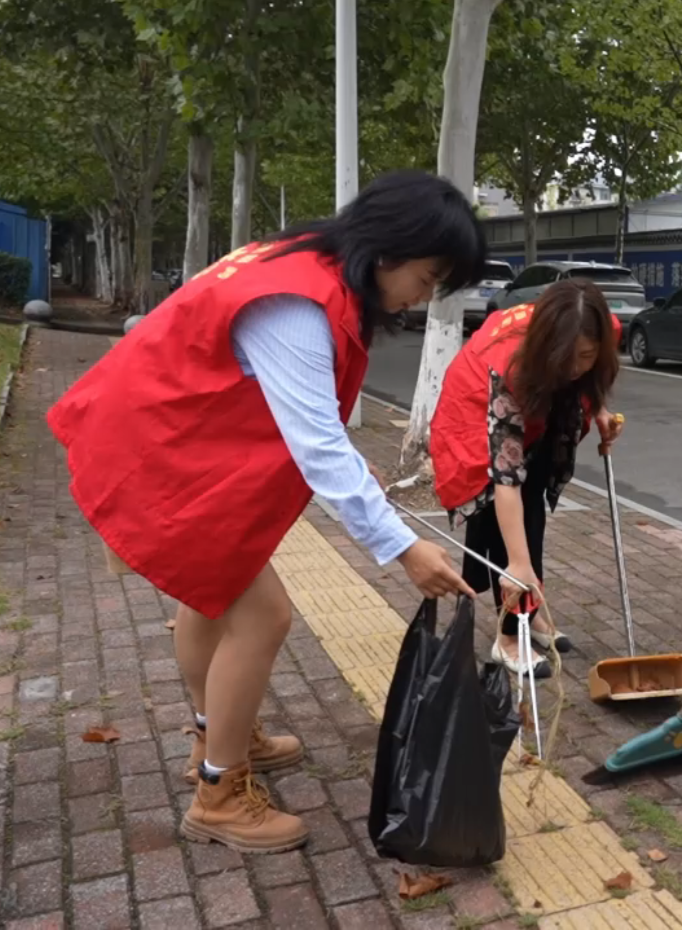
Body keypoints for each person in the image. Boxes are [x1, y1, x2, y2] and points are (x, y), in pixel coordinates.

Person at [47, 170, 481, 853]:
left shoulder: (299, 262)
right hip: (159, 458)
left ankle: (215, 736)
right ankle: (219, 794)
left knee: (211, 596)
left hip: (166, 444)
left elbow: (299, 415)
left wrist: (350, 464)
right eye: (428, 277)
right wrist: (401, 546)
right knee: (263, 614)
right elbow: (317, 446)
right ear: (389, 248)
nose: (424, 296)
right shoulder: (298, 303)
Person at [430, 279, 623, 676]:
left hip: (538, 401)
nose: (576, 368)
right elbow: (506, 478)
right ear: (549, 347)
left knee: (532, 513)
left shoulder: (599, 326)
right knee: (503, 530)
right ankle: (508, 638)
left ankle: (529, 617)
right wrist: (518, 565)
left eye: (586, 356)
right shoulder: (510, 366)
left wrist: (599, 409)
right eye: (567, 358)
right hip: (473, 414)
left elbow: (589, 377)